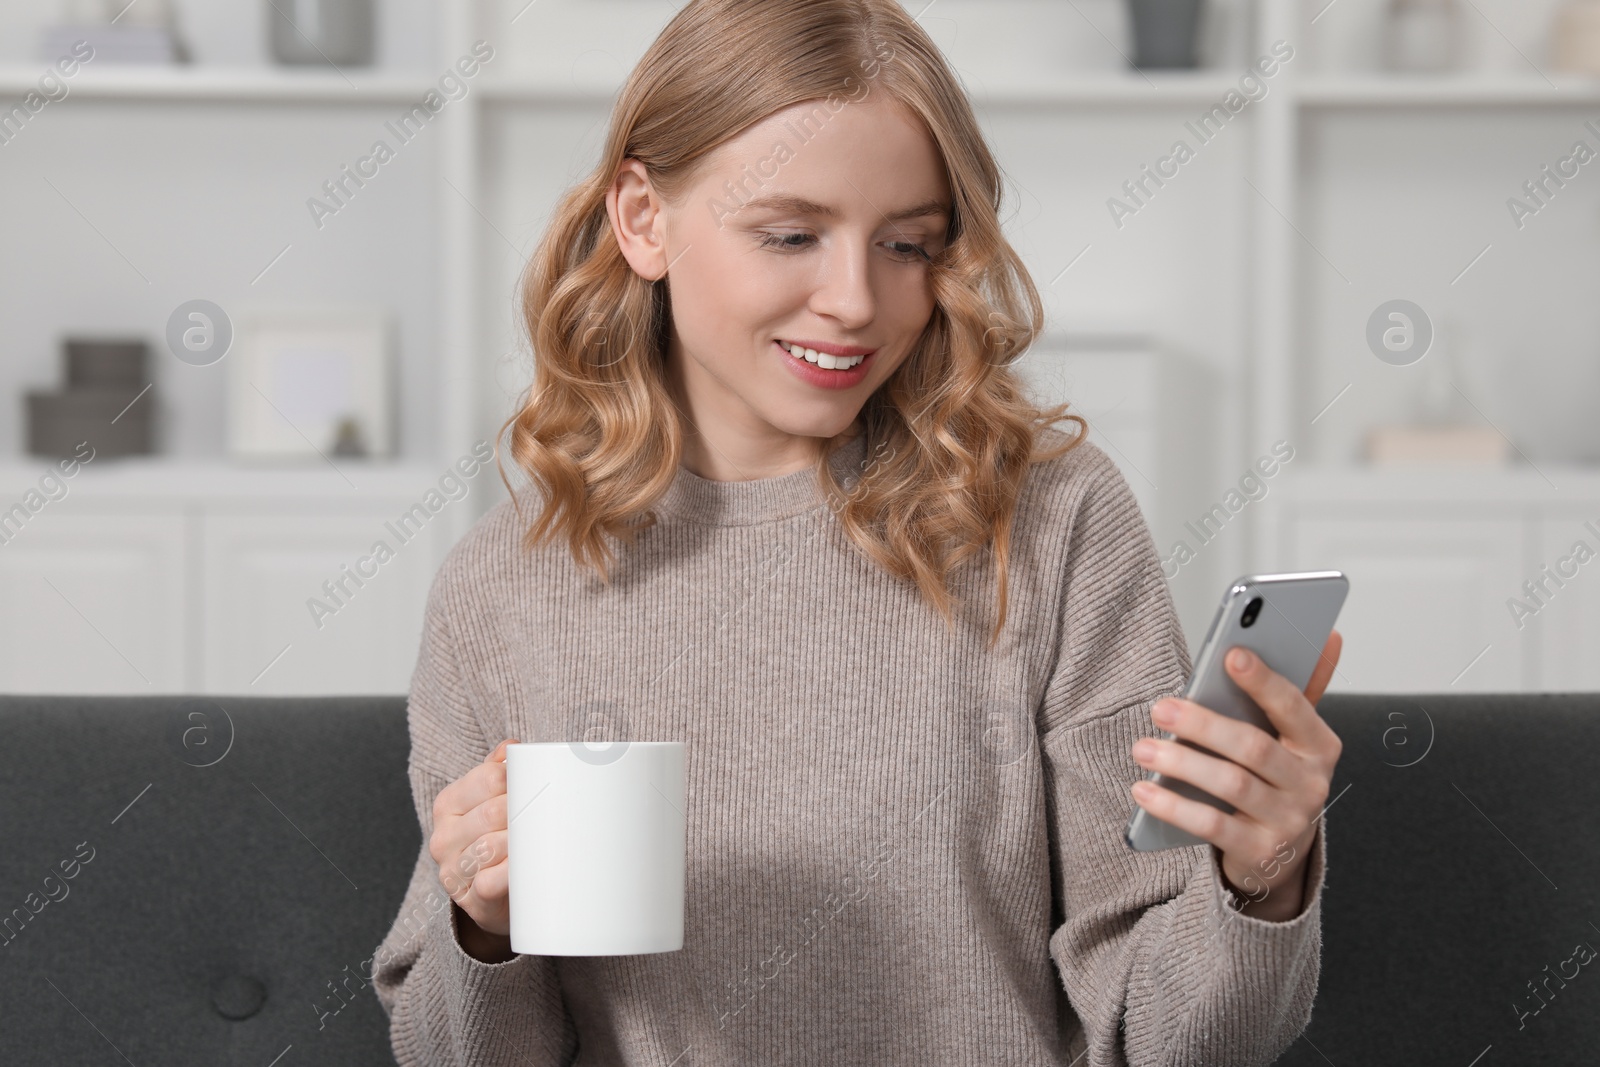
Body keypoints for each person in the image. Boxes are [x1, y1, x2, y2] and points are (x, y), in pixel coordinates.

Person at [371, 1, 1345, 1063]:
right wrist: (481, 927)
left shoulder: (1054, 521)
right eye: (790, 234)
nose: (855, 300)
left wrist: (1258, 882)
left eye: (907, 244)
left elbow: (1169, 1040)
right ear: (644, 219)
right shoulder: (504, 586)